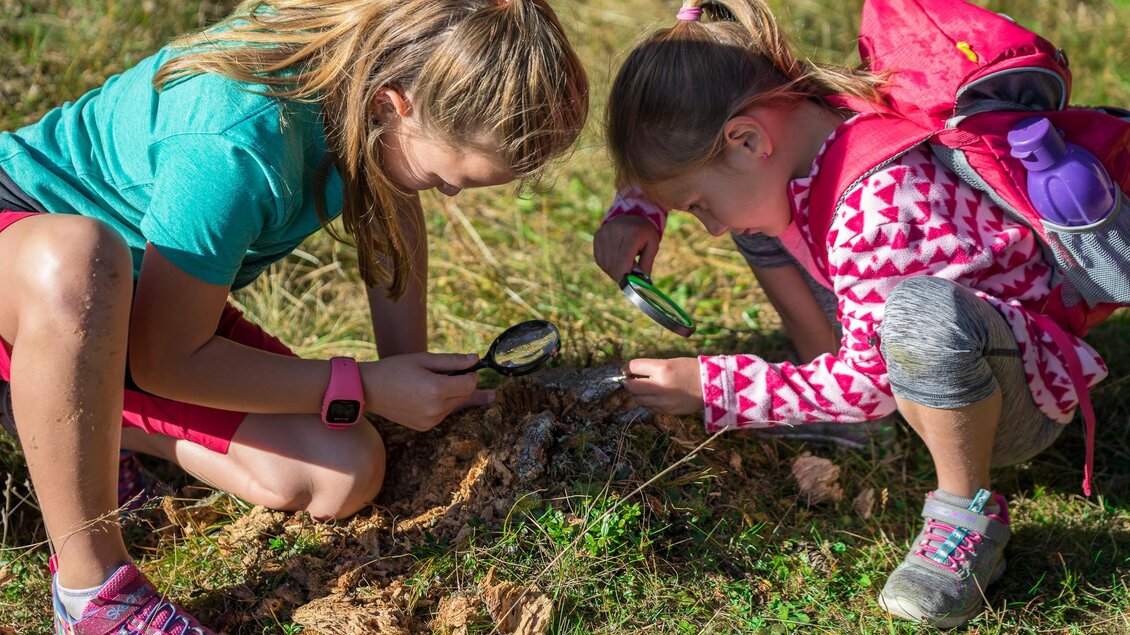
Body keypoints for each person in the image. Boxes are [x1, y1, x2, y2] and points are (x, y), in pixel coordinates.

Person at [0, 0, 588, 631]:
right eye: (448, 181)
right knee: (80, 260)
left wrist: (403, 378)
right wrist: (361, 385)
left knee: (342, 473)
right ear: (396, 105)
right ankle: (92, 595)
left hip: (146, 305)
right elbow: (168, 360)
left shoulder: (385, 65)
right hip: (37, 268)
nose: (446, 193)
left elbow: (394, 202)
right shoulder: (236, 144)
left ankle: (50, 407)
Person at [596, 0, 1106, 628]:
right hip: (934, 351)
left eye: (696, 204)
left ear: (747, 138)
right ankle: (824, 378)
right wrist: (637, 207)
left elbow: (870, 386)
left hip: (1009, 403)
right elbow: (687, 143)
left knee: (918, 316)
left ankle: (964, 519)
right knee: (754, 217)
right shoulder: (804, 115)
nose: (705, 227)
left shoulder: (882, 211)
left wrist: (714, 387)